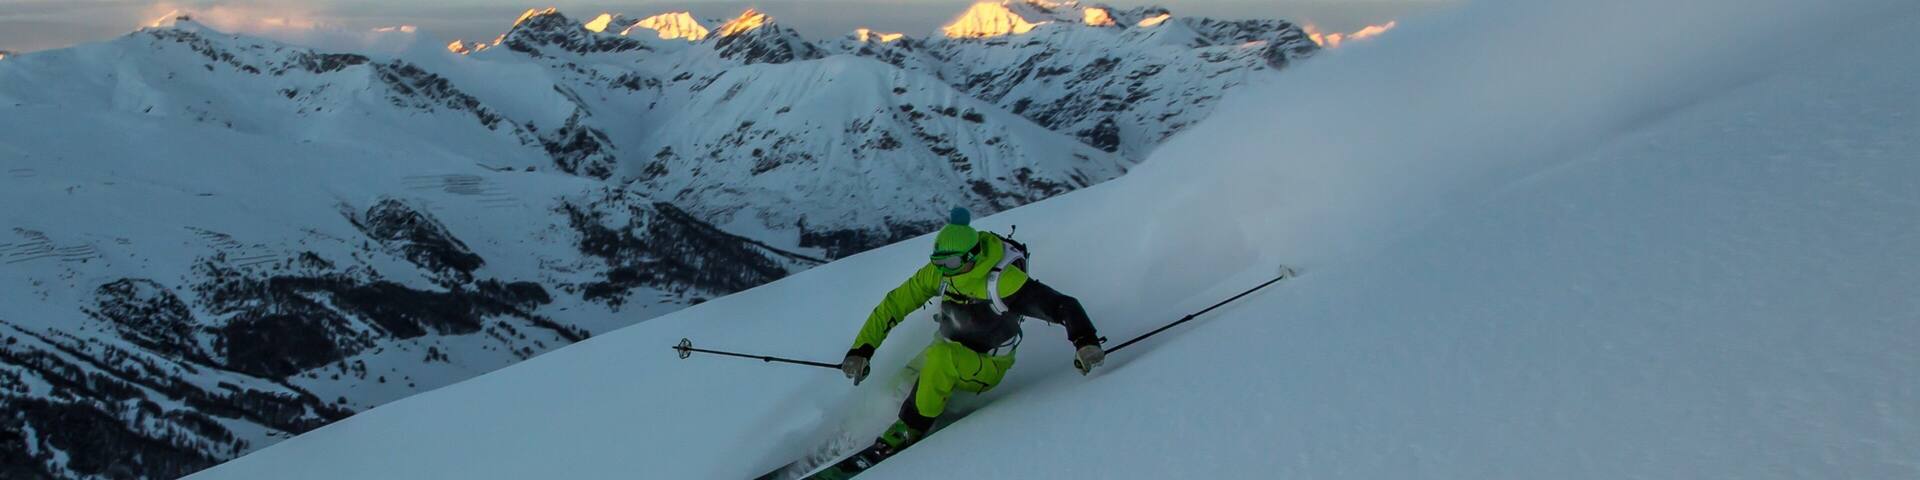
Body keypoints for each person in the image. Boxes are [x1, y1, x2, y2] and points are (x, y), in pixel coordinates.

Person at [838, 207, 1104, 457]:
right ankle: (854, 433)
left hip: (988, 364)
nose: (943, 270)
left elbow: (1062, 305)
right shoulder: (941, 273)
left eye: (950, 262)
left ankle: (911, 426)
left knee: (941, 359)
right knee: (901, 380)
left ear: (972, 256)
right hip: (947, 345)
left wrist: (1085, 342)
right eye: (937, 261)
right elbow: (894, 304)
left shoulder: (1003, 281)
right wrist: (862, 349)